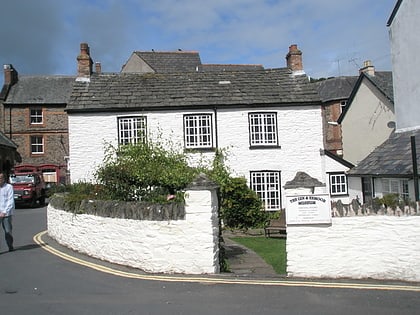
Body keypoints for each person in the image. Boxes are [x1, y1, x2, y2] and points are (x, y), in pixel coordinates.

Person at [0, 172, 15, 252]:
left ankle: (10, 246)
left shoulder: (9, 187)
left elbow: (10, 201)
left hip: (6, 214)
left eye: (0, 178)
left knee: (8, 231)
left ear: (3, 179)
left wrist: (4, 212)